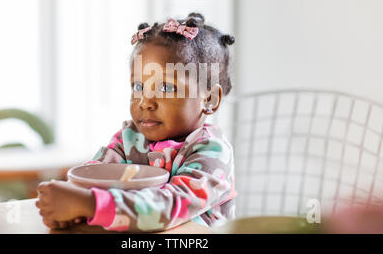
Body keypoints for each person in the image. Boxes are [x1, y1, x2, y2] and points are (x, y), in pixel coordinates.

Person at [36, 13, 237, 232]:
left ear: (209, 99)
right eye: (138, 87)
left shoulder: (212, 152)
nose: (144, 102)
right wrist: (69, 206)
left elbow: (169, 207)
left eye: (166, 88)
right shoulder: (129, 139)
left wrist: (90, 204)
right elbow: (93, 175)